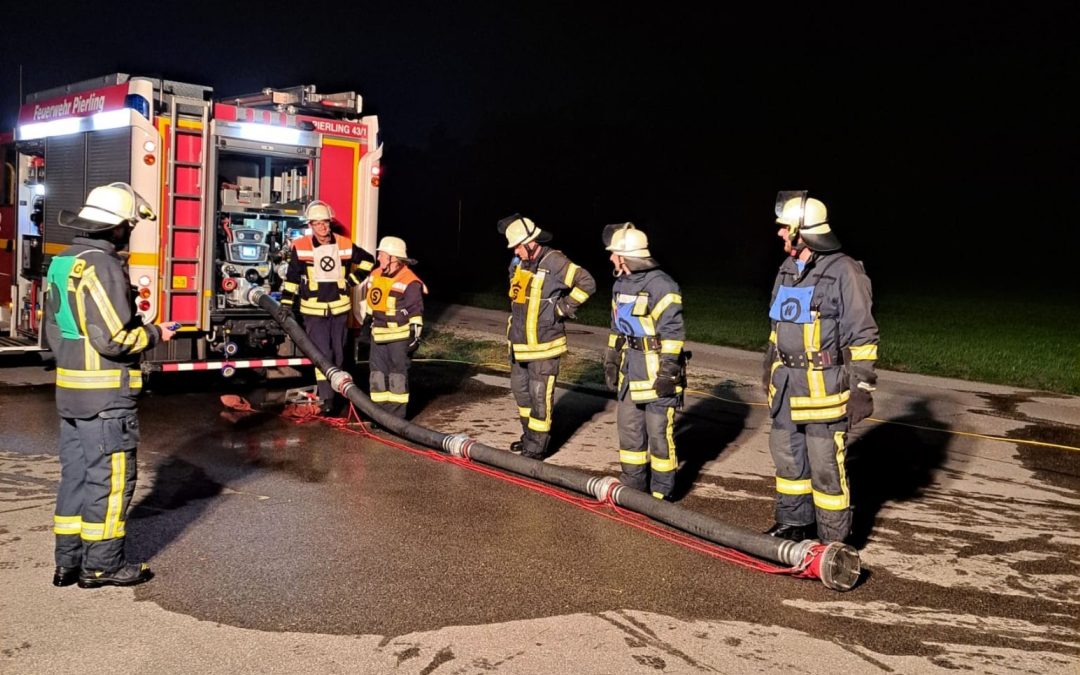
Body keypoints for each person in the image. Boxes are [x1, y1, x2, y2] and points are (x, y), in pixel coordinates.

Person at [43, 182, 177, 588]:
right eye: (129, 226)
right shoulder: (101, 265)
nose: (130, 232)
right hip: (105, 397)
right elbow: (114, 339)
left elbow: (54, 330)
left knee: (77, 477)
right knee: (112, 479)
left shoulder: (62, 261)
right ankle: (101, 565)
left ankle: (67, 562)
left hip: (70, 392)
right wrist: (156, 333)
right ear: (117, 227)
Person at [763, 191, 879, 544]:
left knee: (826, 466)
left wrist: (862, 387)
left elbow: (863, 334)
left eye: (785, 228)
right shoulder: (786, 269)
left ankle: (833, 542)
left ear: (802, 231)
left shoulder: (845, 271)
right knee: (787, 459)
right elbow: (776, 328)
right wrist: (768, 368)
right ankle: (794, 525)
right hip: (786, 386)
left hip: (824, 389)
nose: (780, 234)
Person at [498, 214, 596, 459]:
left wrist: (563, 308)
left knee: (540, 398)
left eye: (519, 246)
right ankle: (529, 438)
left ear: (532, 242)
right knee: (521, 394)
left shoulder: (554, 261)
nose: (516, 251)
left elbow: (587, 283)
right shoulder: (519, 263)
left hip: (544, 346)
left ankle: (537, 449)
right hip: (520, 346)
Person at [602, 223, 686, 500]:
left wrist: (668, 371)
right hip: (631, 371)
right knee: (629, 431)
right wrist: (612, 357)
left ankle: (663, 493)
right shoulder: (620, 283)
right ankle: (633, 485)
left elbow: (673, 333)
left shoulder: (662, 285)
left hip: (656, 373)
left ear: (626, 256)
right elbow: (617, 327)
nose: (612, 258)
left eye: (615, 254)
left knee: (660, 436)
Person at [281, 200, 375, 414]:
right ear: (311, 225)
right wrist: (286, 304)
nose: (322, 227)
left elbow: (369, 261)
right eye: (317, 224)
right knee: (323, 355)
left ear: (329, 223)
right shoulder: (301, 246)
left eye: (325, 223)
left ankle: (338, 392)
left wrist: (351, 280)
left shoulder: (344, 244)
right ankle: (327, 399)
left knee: (338, 355)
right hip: (313, 312)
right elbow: (292, 278)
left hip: (339, 310)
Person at [363, 236, 426, 418]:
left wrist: (414, 335)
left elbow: (415, 310)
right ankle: (379, 415)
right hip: (378, 335)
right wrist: (366, 324)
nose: (379, 258)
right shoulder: (375, 275)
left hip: (399, 337)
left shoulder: (409, 281)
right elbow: (371, 303)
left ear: (393, 258)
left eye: (382, 254)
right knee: (377, 376)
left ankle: (396, 418)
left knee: (397, 377)